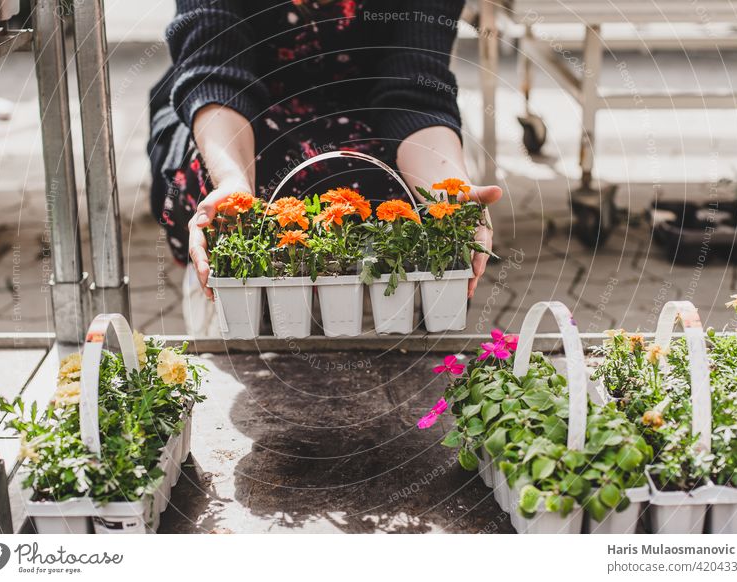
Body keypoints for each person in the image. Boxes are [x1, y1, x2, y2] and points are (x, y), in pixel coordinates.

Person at [148, 0, 502, 333]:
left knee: (406, 202)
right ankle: (229, 307)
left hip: (369, 113)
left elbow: (416, 87)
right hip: (230, 116)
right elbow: (217, 73)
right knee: (215, 195)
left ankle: (409, 343)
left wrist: (447, 191)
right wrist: (232, 185)